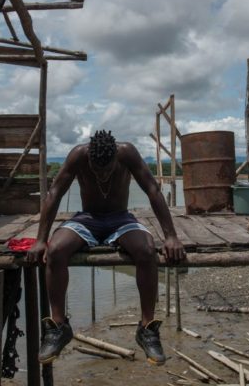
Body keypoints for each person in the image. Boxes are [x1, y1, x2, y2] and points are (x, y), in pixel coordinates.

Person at [25, 130, 186, 366]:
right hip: (87, 219)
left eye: (107, 170)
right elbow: (55, 193)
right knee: (56, 250)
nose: (101, 175)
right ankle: (58, 327)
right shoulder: (78, 155)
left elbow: (152, 190)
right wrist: (40, 240)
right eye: (96, 170)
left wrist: (171, 236)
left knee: (146, 250)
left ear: (115, 160)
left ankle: (147, 329)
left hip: (120, 218)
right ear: (89, 159)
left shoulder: (127, 153)